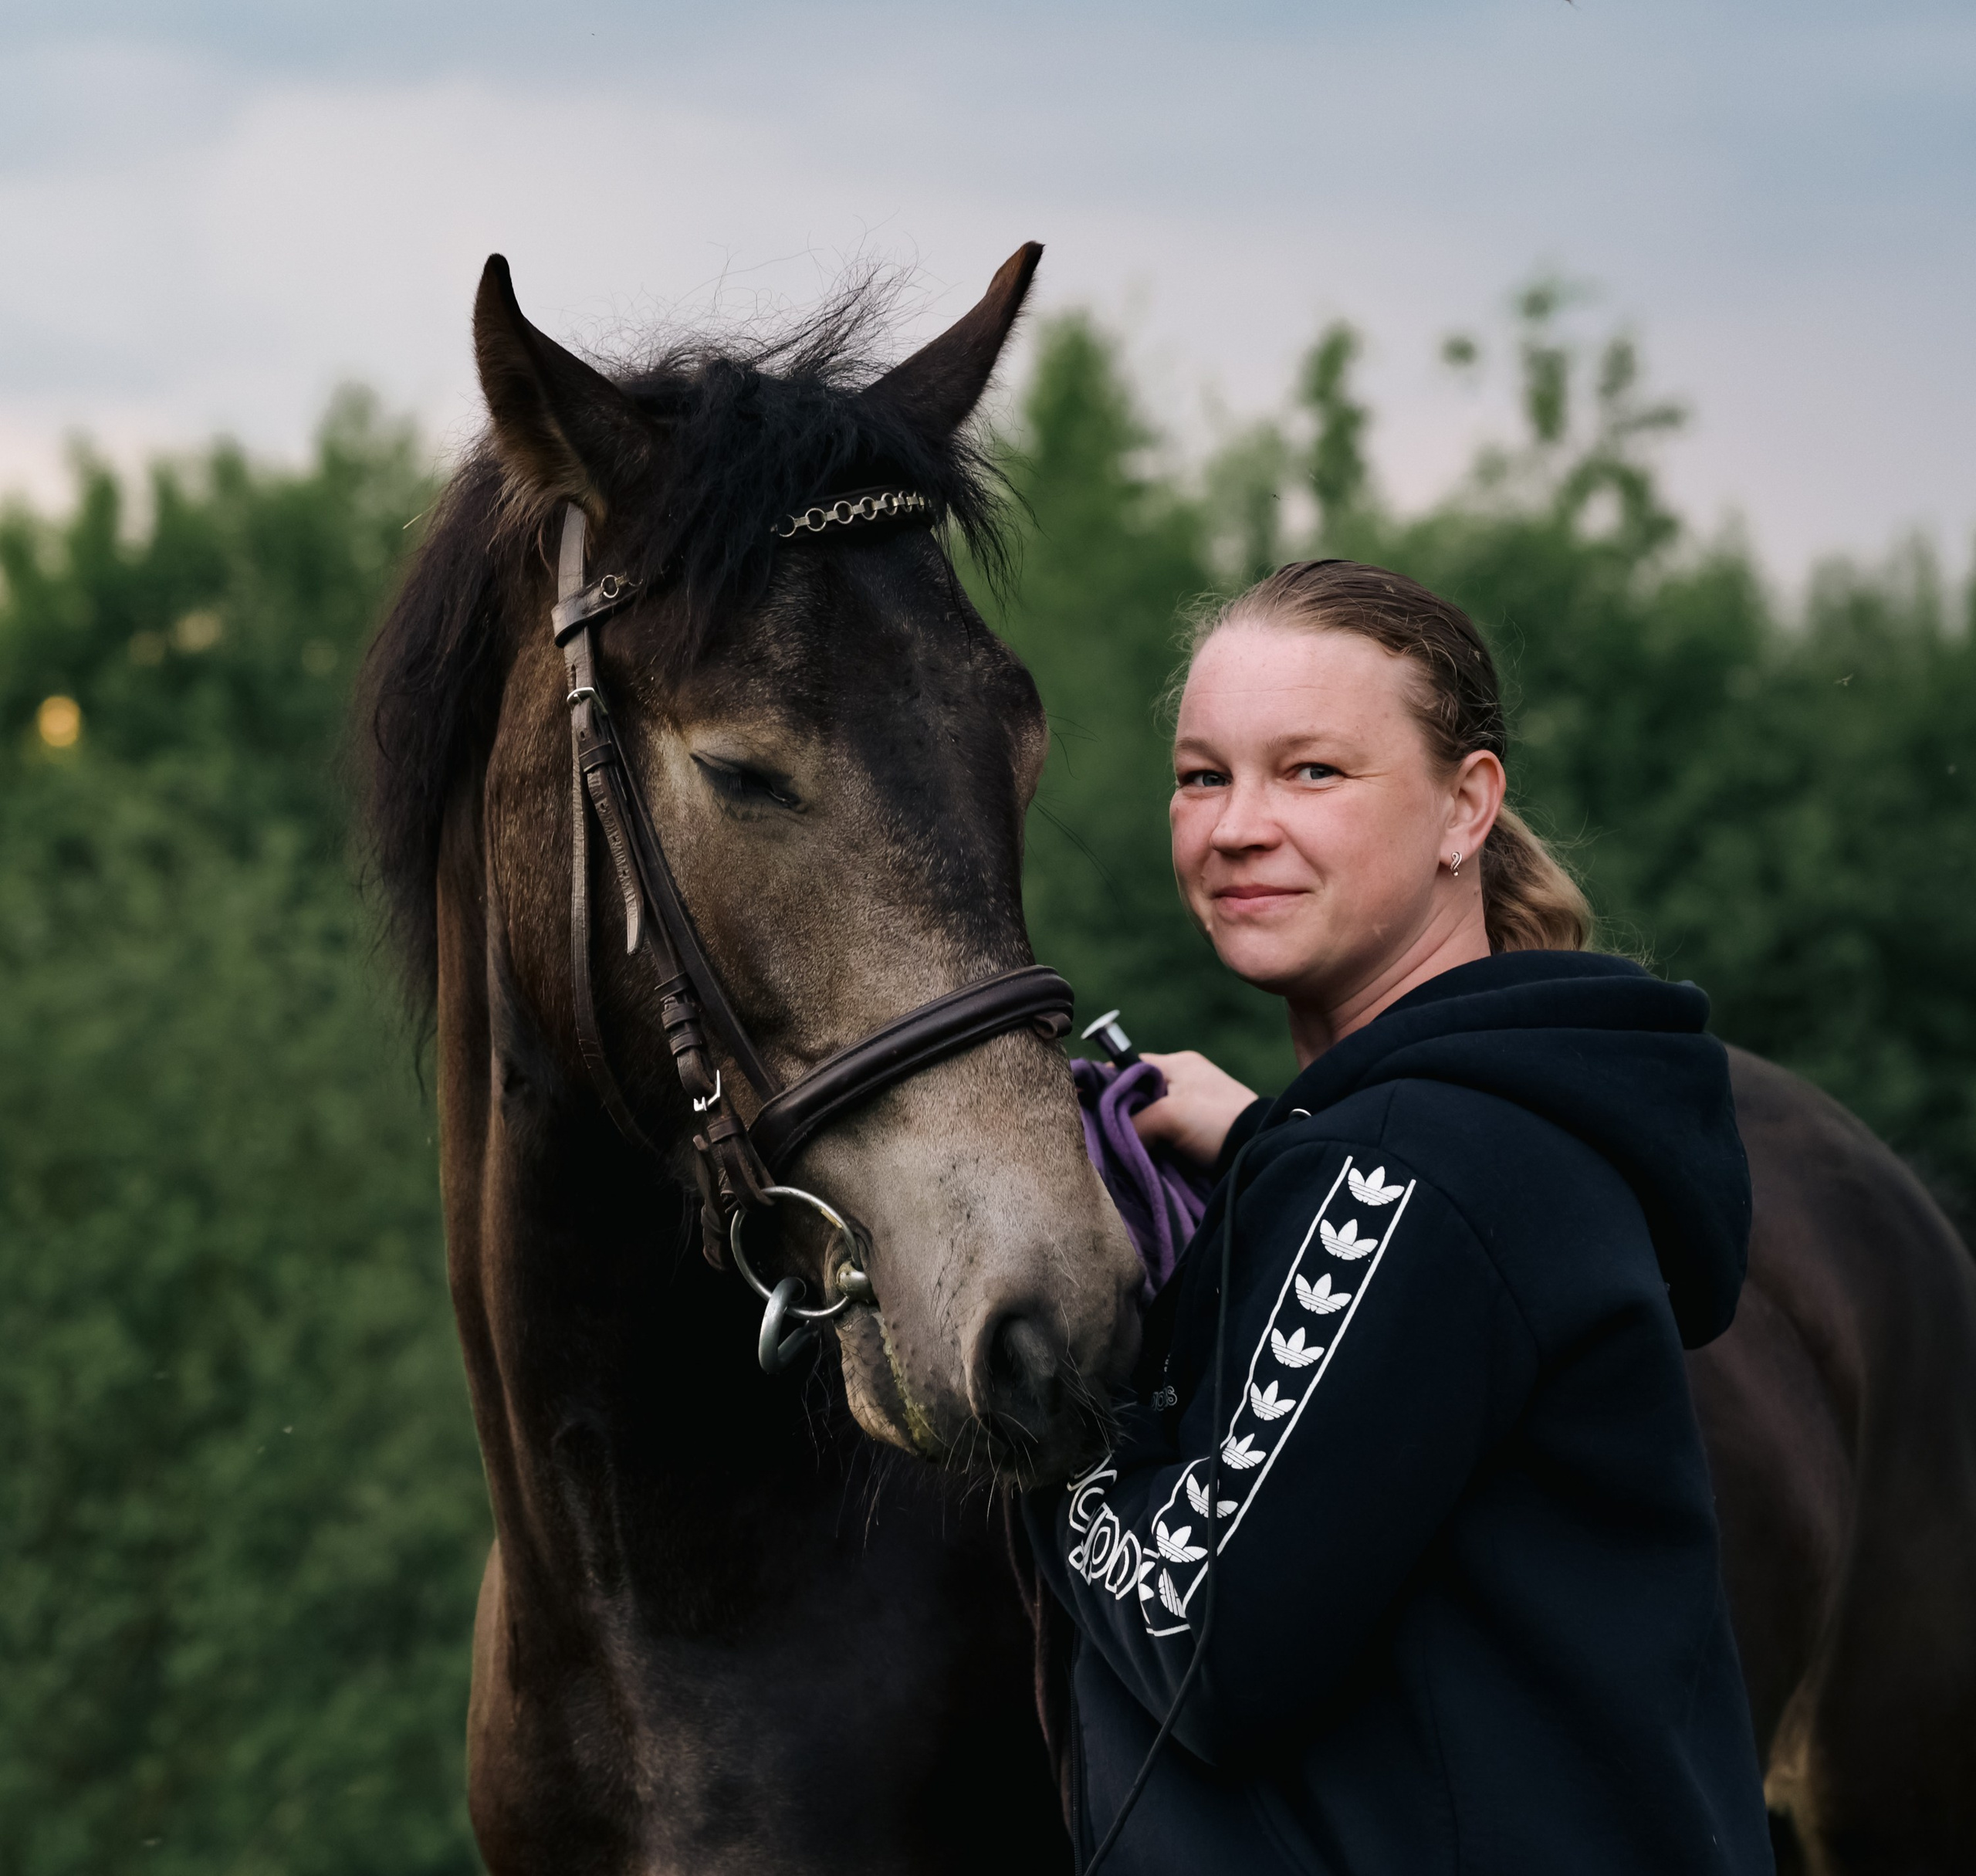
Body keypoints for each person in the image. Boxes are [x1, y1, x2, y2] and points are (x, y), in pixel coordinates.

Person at [1025, 560, 1773, 1874]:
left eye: (1311, 772)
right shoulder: (1446, 1142)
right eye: (1204, 776)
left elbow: (1204, 1631)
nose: (1238, 825)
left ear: (1464, 808)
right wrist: (1272, 1149)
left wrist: (1049, 1410)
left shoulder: (1415, 1169)